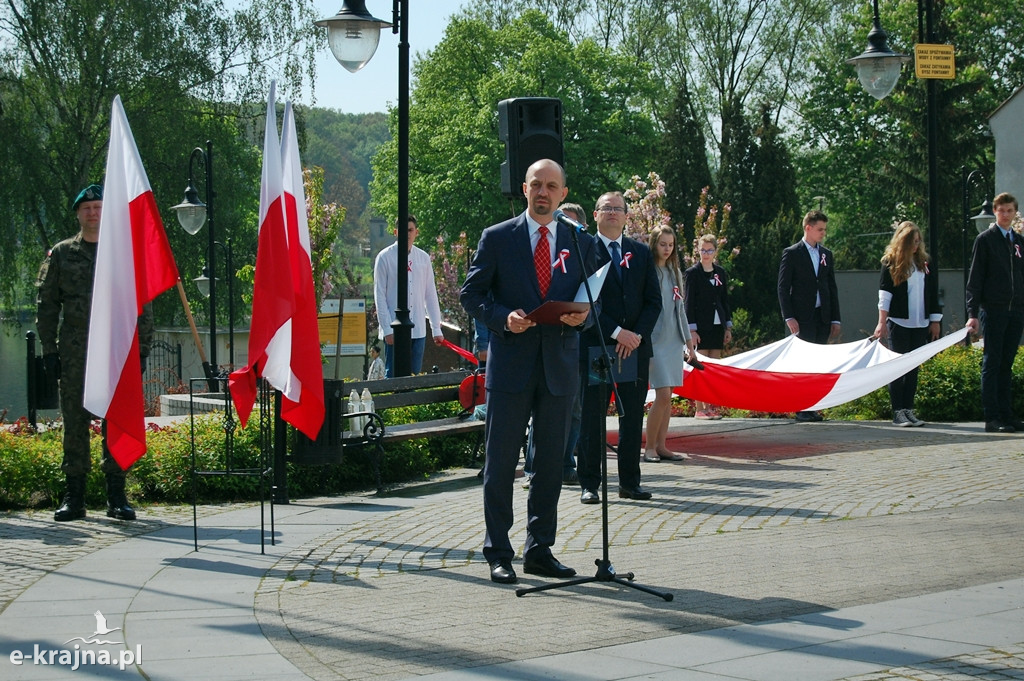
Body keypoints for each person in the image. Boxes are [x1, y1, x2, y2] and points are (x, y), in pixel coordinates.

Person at [461, 159, 595, 585]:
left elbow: (595, 297)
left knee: (552, 464)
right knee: (500, 464)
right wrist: (502, 318)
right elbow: (472, 294)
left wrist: (584, 318)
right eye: (536, 184)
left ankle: (539, 549)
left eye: (551, 186)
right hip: (512, 367)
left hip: (558, 367)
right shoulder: (498, 238)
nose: (543, 192)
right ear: (524, 189)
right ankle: (498, 552)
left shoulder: (578, 239)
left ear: (563, 193)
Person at [36, 184, 153, 522]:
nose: (92, 213)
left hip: (114, 352)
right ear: (77, 214)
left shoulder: (122, 254)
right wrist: (49, 352)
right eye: (86, 209)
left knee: (114, 420)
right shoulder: (61, 254)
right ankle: (74, 497)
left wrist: (142, 351)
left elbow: (141, 305)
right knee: (74, 422)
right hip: (74, 352)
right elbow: (47, 306)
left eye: (98, 207)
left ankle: (117, 495)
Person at [577, 191, 661, 504]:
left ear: (627, 216)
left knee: (631, 418)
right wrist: (616, 332)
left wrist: (636, 335)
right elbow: (585, 299)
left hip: (635, 349)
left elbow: (654, 301)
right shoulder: (584, 249)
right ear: (595, 214)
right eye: (606, 208)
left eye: (618, 209)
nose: (613, 213)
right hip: (598, 347)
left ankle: (629, 483)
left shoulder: (640, 252)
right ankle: (590, 484)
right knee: (593, 417)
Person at [522, 202, 589, 487]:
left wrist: (583, 314)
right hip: (536, 345)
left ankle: (564, 464)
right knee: (542, 412)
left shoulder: (582, 251)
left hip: (572, 346)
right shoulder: (541, 250)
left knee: (574, 412)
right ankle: (533, 469)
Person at [966, 192, 1024, 433]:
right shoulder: (985, 239)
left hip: (1016, 311)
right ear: (996, 212)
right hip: (994, 309)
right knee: (992, 363)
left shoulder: (1019, 241)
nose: (1006, 215)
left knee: (1006, 364)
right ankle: (993, 417)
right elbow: (975, 278)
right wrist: (972, 312)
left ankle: (1007, 414)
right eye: (1001, 210)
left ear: (1014, 212)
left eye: (1010, 210)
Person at [874, 222, 941, 427]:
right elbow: (885, 295)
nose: (916, 246)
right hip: (899, 322)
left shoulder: (924, 264)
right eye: (912, 242)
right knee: (899, 367)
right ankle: (898, 411)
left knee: (913, 367)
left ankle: (909, 409)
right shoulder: (891, 262)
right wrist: (881, 322)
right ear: (903, 242)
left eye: (918, 242)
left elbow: (933, 293)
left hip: (920, 323)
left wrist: (935, 321)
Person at [777, 210, 841, 422]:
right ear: (808, 228)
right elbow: (783, 287)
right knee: (803, 363)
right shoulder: (792, 253)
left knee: (818, 363)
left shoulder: (826, 255)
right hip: (801, 317)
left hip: (822, 315)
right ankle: (801, 407)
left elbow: (831, 287)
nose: (823, 233)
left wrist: (835, 318)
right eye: (820, 229)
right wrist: (789, 317)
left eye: (824, 229)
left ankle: (813, 405)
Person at [645, 225, 698, 462]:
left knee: (669, 395)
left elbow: (681, 312)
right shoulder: (647, 271)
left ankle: (662, 445)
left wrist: (689, 342)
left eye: (671, 245)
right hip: (655, 340)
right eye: (662, 244)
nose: (667, 249)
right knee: (663, 394)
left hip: (674, 341)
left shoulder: (676, 273)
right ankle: (649, 448)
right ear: (654, 244)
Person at [373, 214, 444, 377]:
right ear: (395, 232)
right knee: (394, 376)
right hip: (395, 330)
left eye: (411, 230)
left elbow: (430, 295)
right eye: (404, 230)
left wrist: (436, 328)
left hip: (418, 329)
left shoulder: (423, 258)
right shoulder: (384, 257)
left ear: (416, 232)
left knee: (414, 376)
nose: (408, 234)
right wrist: (386, 329)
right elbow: (380, 296)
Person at [684, 234, 733, 419]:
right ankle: (699, 408)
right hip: (700, 326)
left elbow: (724, 300)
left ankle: (711, 407)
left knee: (714, 369)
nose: (706, 254)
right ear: (698, 251)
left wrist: (728, 326)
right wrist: (692, 330)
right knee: (700, 367)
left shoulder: (720, 272)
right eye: (703, 250)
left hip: (717, 325)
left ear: (715, 252)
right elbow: (688, 302)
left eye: (710, 250)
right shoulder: (692, 273)